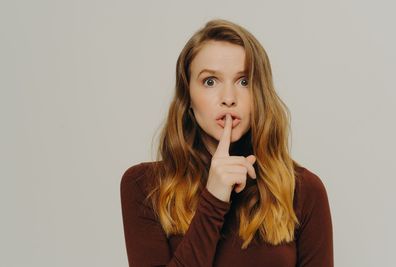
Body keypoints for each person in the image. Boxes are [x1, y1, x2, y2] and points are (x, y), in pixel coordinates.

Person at [120, 18, 333, 267]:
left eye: (244, 81)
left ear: (260, 94)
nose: (229, 98)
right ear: (188, 96)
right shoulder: (145, 186)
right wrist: (214, 199)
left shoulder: (303, 190)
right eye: (210, 81)